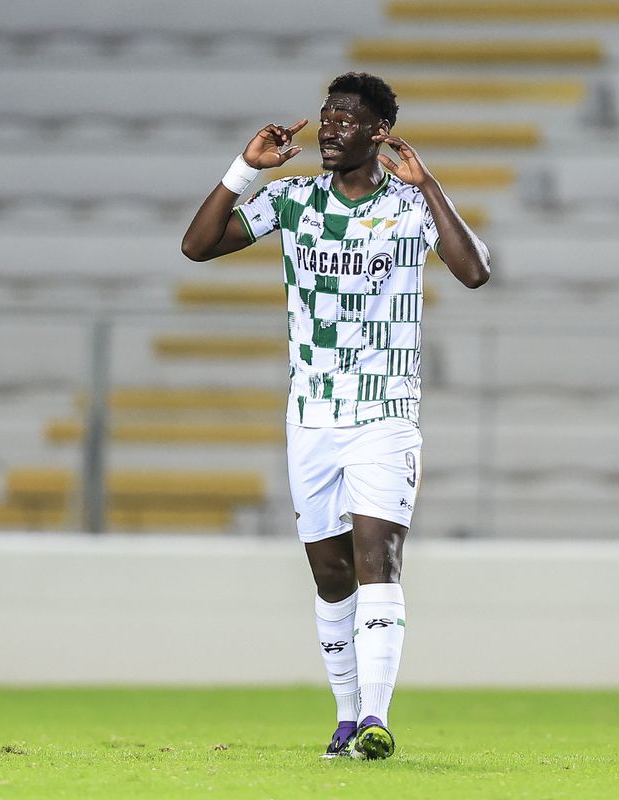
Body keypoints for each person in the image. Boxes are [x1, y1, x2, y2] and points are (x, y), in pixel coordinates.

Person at [181, 73, 490, 760]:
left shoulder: (410, 208)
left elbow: (474, 271)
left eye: (345, 120)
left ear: (379, 134)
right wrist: (242, 169)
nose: (328, 129)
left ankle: (377, 719)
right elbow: (197, 247)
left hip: (385, 409)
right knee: (330, 573)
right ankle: (347, 718)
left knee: (378, 555)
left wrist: (430, 184)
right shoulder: (291, 200)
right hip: (312, 415)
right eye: (326, 117)